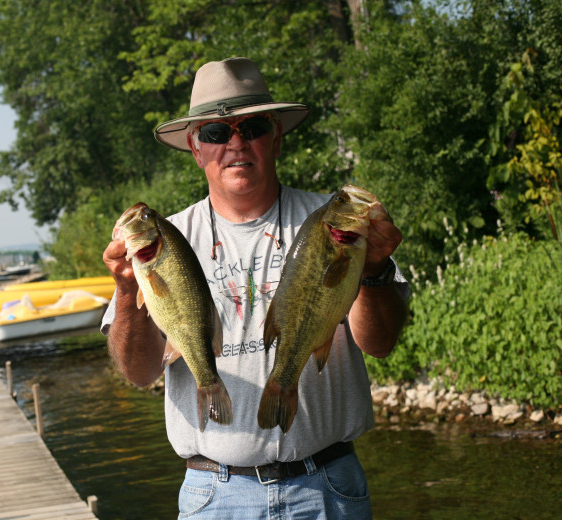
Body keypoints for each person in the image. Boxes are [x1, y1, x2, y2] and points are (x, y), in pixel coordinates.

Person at [101, 57, 408, 519]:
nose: (236, 144)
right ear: (195, 147)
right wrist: (128, 295)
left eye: (254, 127)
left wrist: (374, 269)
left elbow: (381, 344)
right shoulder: (168, 239)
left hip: (327, 489)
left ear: (277, 136)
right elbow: (139, 372)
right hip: (214, 495)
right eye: (216, 133)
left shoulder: (334, 222)